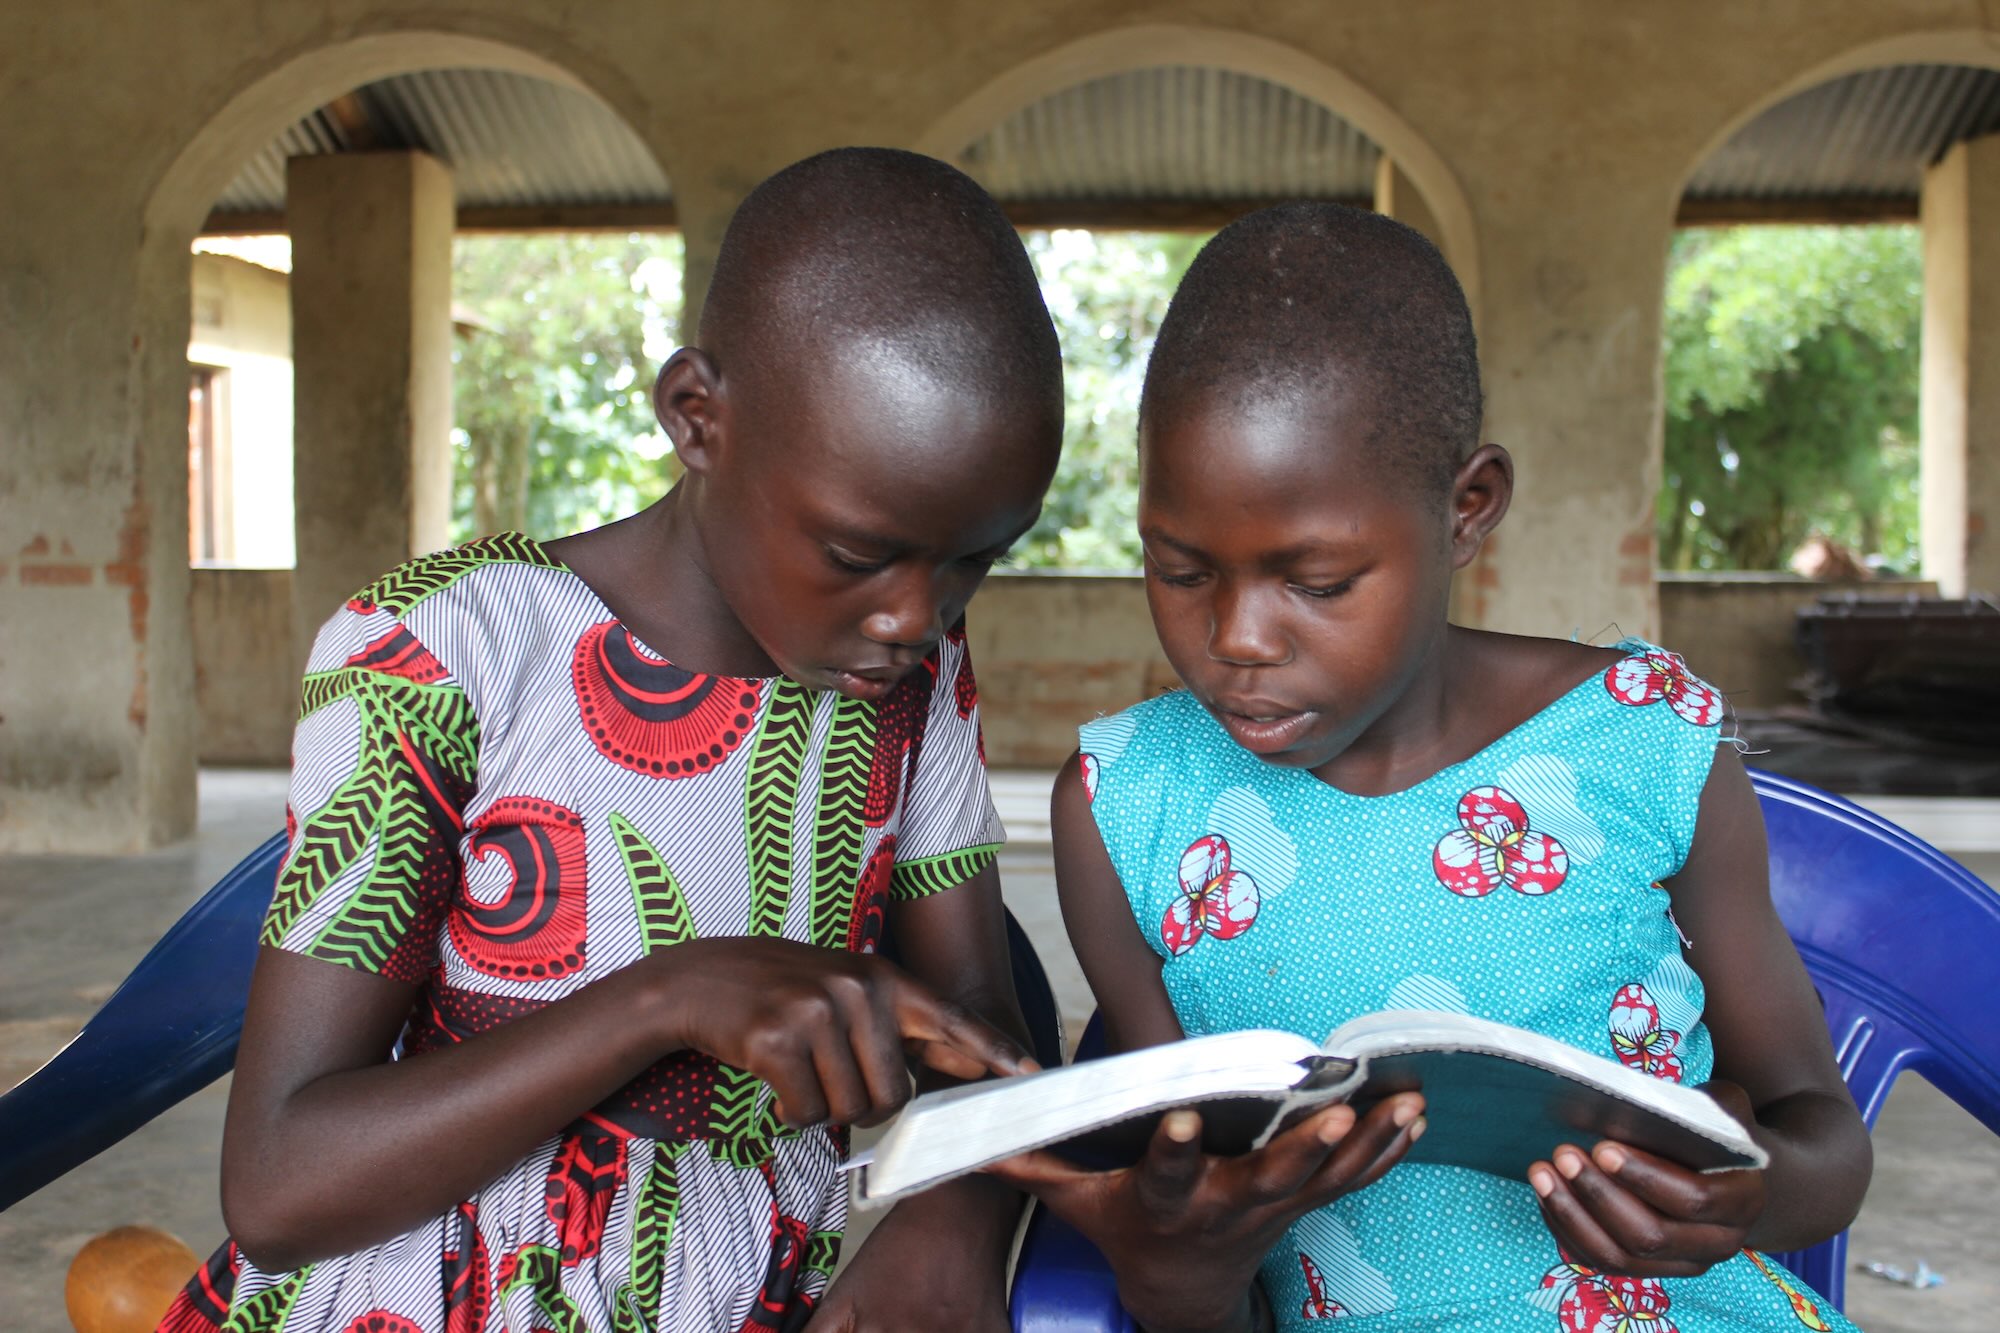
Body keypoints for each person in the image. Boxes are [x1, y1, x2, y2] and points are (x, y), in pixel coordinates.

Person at [159, 147, 1065, 1333]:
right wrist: (666, 997)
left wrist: (956, 1220)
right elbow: (279, 1184)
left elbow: (975, 1028)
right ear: (697, 417)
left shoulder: (913, 683)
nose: (914, 615)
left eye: (972, 560)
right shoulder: (443, 651)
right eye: (856, 555)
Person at [987, 203, 1872, 1333]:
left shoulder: (1642, 741)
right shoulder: (1129, 811)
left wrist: (1735, 1198)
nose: (1238, 635)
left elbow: (1822, 1139)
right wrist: (1178, 1267)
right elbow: (1199, 1238)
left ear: (1466, 508)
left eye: (1314, 579)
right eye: (1179, 568)